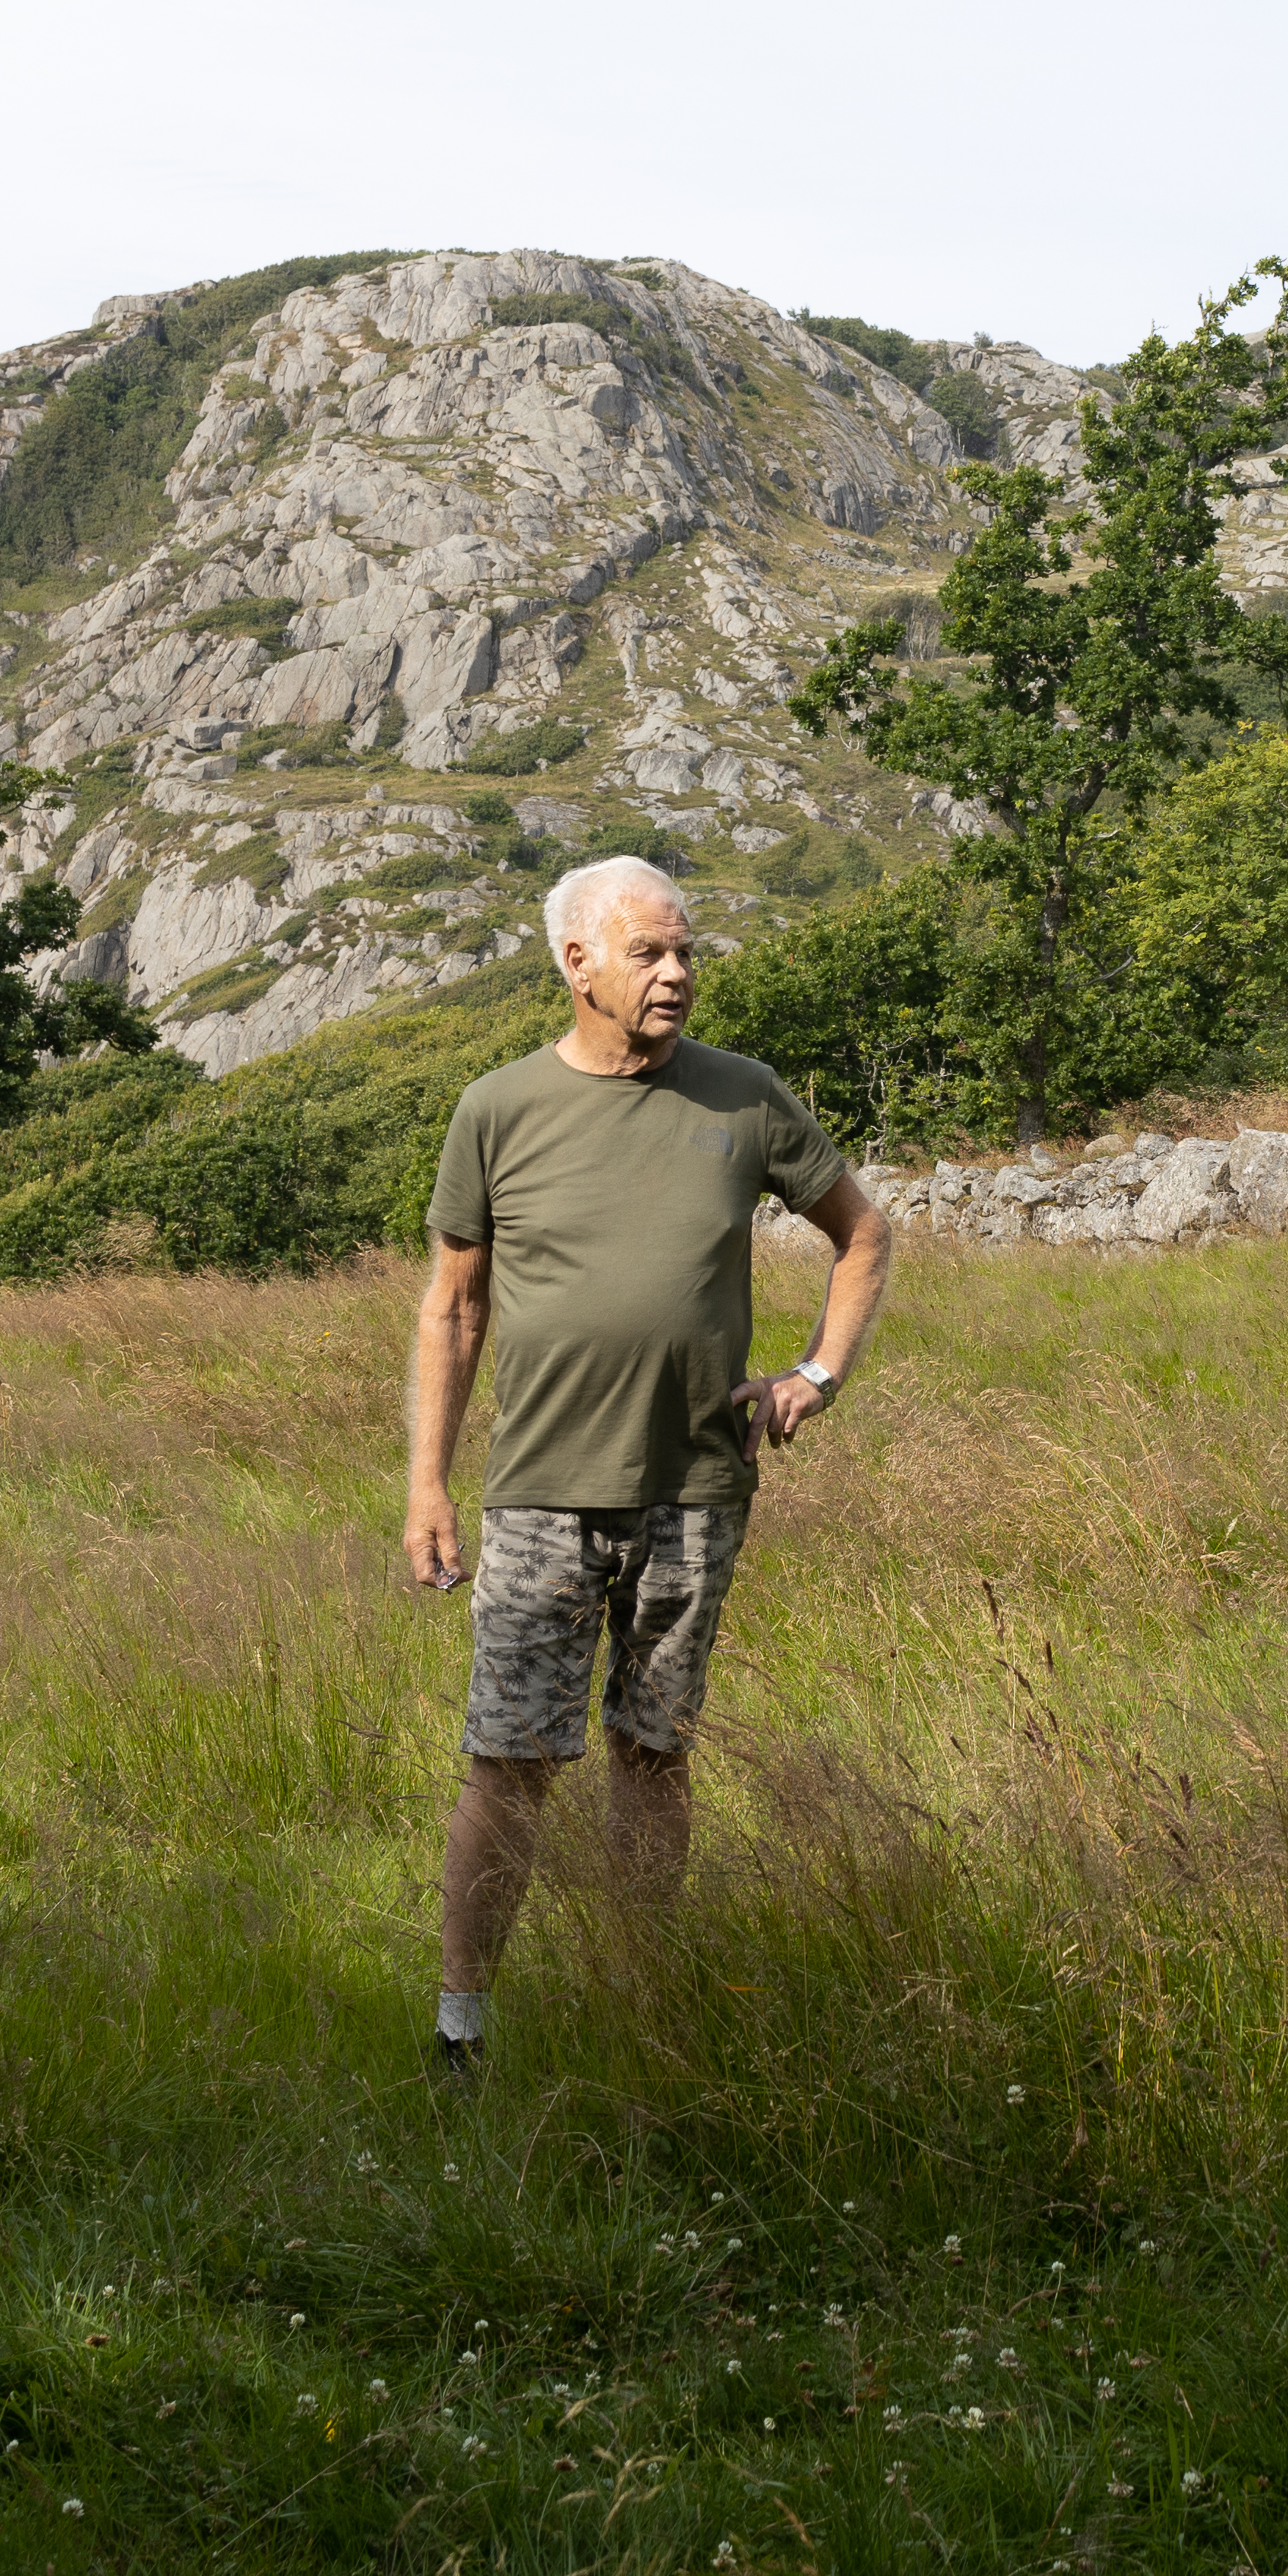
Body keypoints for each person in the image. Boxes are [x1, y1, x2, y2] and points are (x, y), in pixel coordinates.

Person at [401, 852, 894, 2071]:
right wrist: (426, 1483)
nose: (676, 975)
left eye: (686, 954)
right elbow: (453, 1310)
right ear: (577, 965)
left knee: (654, 1753)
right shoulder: (497, 1109)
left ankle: (640, 2000)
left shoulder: (746, 1098)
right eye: (650, 954)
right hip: (540, 1496)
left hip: (696, 1492)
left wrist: (816, 1374)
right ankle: (462, 2026)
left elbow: (863, 1232)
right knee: (510, 1762)